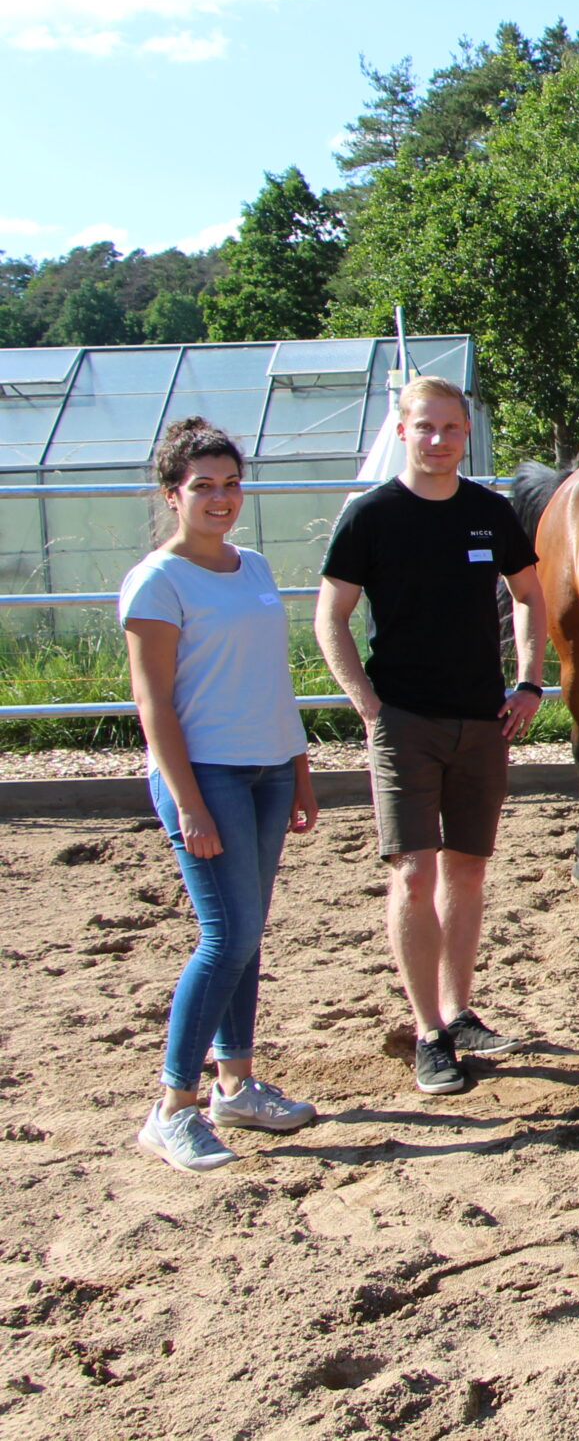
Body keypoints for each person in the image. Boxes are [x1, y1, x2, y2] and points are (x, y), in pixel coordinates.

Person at [316, 376, 548, 1096]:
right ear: (404, 429)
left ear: (465, 434)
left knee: (468, 870)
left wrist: (530, 682)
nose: (441, 441)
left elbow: (529, 595)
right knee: (414, 873)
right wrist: (366, 703)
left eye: (452, 429)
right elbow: (332, 616)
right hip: (403, 722)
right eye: (427, 428)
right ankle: (427, 1033)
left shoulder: (490, 512)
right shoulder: (370, 516)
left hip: (483, 718)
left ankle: (459, 1008)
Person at [121, 419, 322, 1172]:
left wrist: (299, 766)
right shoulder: (157, 582)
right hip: (204, 773)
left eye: (231, 483)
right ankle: (172, 1106)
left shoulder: (255, 566)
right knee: (225, 935)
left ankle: (234, 1081)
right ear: (172, 494)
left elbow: (275, 677)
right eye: (202, 485)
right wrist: (188, 802)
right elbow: (156, 706)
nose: (220, 497)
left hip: (268, 768)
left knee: (248, 932)